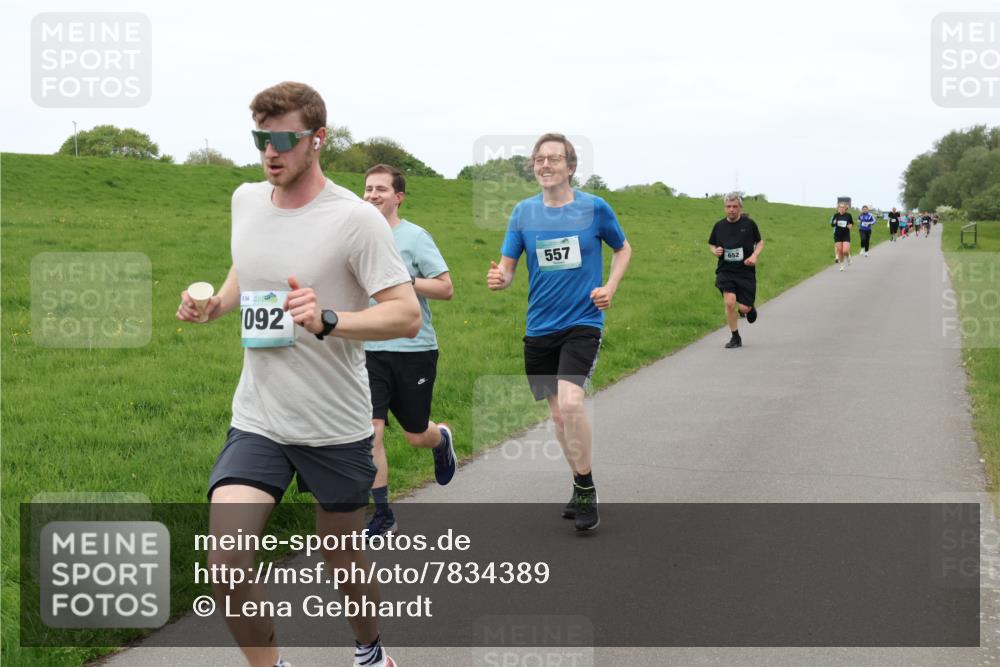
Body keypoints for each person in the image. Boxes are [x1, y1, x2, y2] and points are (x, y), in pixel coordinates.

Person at [176, 82, 417, 667]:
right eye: (261, 139)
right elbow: (248, 265)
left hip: (332, 422)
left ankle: (370, 652)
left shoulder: (357, 220)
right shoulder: (246, 199)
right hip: (260, 415)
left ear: (318, 139)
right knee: (226, 561)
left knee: (343, 558)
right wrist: (217, 303)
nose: (271, 152)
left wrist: (329, 318)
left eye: (284, 139)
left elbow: (406, 314)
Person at [486, 132, 632, 532]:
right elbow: (510, 268)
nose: (545, 165)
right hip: (539, 327)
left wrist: (610, 288)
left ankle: (585, 487)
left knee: (570, 404)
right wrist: (501, 278)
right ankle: (579, 482)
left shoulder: (594, 208)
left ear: (570, 167)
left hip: (583, 321)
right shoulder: (522, 214)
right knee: (556, 416)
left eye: (553, 158)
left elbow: (623, 249)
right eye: (538, 159)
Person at [362, 163, 456, 537]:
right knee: (371, 433)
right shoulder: (356, 237)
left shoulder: (415, 238)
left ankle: (441, 438)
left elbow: (445, 288)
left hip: (414, 348)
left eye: (380, 189)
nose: (372, 195)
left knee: (416, 434)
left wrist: (405, 280)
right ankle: (383, 514)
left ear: (398, 197)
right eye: (368, 189)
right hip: (367, 349)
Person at [708, 192, 764, 349]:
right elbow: (711, 244)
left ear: (740, 207)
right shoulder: (719, 226)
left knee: (743, 308)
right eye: (728, 207)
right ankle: (735, 337)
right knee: (730, 302)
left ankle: (749, 308)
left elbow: (760, 242)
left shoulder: (749, 224)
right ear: (724, 208)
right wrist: (715, 251)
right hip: (725, 270)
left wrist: (754, 256)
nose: (731, 210)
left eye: (734, 206)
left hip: (745, 271)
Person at [830, 202, 853, 270]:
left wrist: (850, 226)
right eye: (840, 207)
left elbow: (851, 224)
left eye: (843, 207)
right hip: (837, 235)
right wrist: (833, 223)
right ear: (838, 208)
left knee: (845, 251)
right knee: (840, 251)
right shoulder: (836, 215)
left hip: (846, 235)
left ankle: (848, 257)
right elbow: (832, 225)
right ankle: (842, 265)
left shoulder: (848, 215)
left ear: (845, 208)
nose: (842, 208)